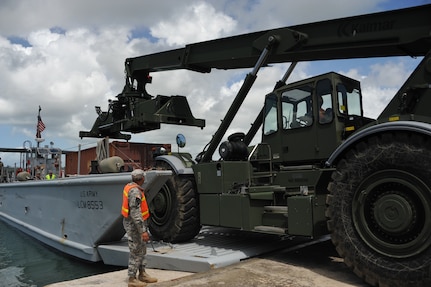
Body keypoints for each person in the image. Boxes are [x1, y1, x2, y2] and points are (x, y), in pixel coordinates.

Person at [122, 169, 158, 287]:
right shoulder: (135, 191)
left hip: (136, 225)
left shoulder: (131, 187)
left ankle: (142, 274)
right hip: (134, 226)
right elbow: (135, 213)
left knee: (142, 249)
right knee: (136, 251)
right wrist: (142, 231)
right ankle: (132, 279)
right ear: (142, 178)